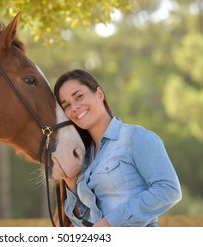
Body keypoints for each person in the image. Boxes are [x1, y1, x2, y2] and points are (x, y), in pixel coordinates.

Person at [53, 69, 182, 227]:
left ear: (99, 94)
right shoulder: (85, 157)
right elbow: (87, 224)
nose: (74, 107)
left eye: (79, 96)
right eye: (66, 105)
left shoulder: (135, 137)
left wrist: (110, 222)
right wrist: (70, 181)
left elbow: (168, 190)